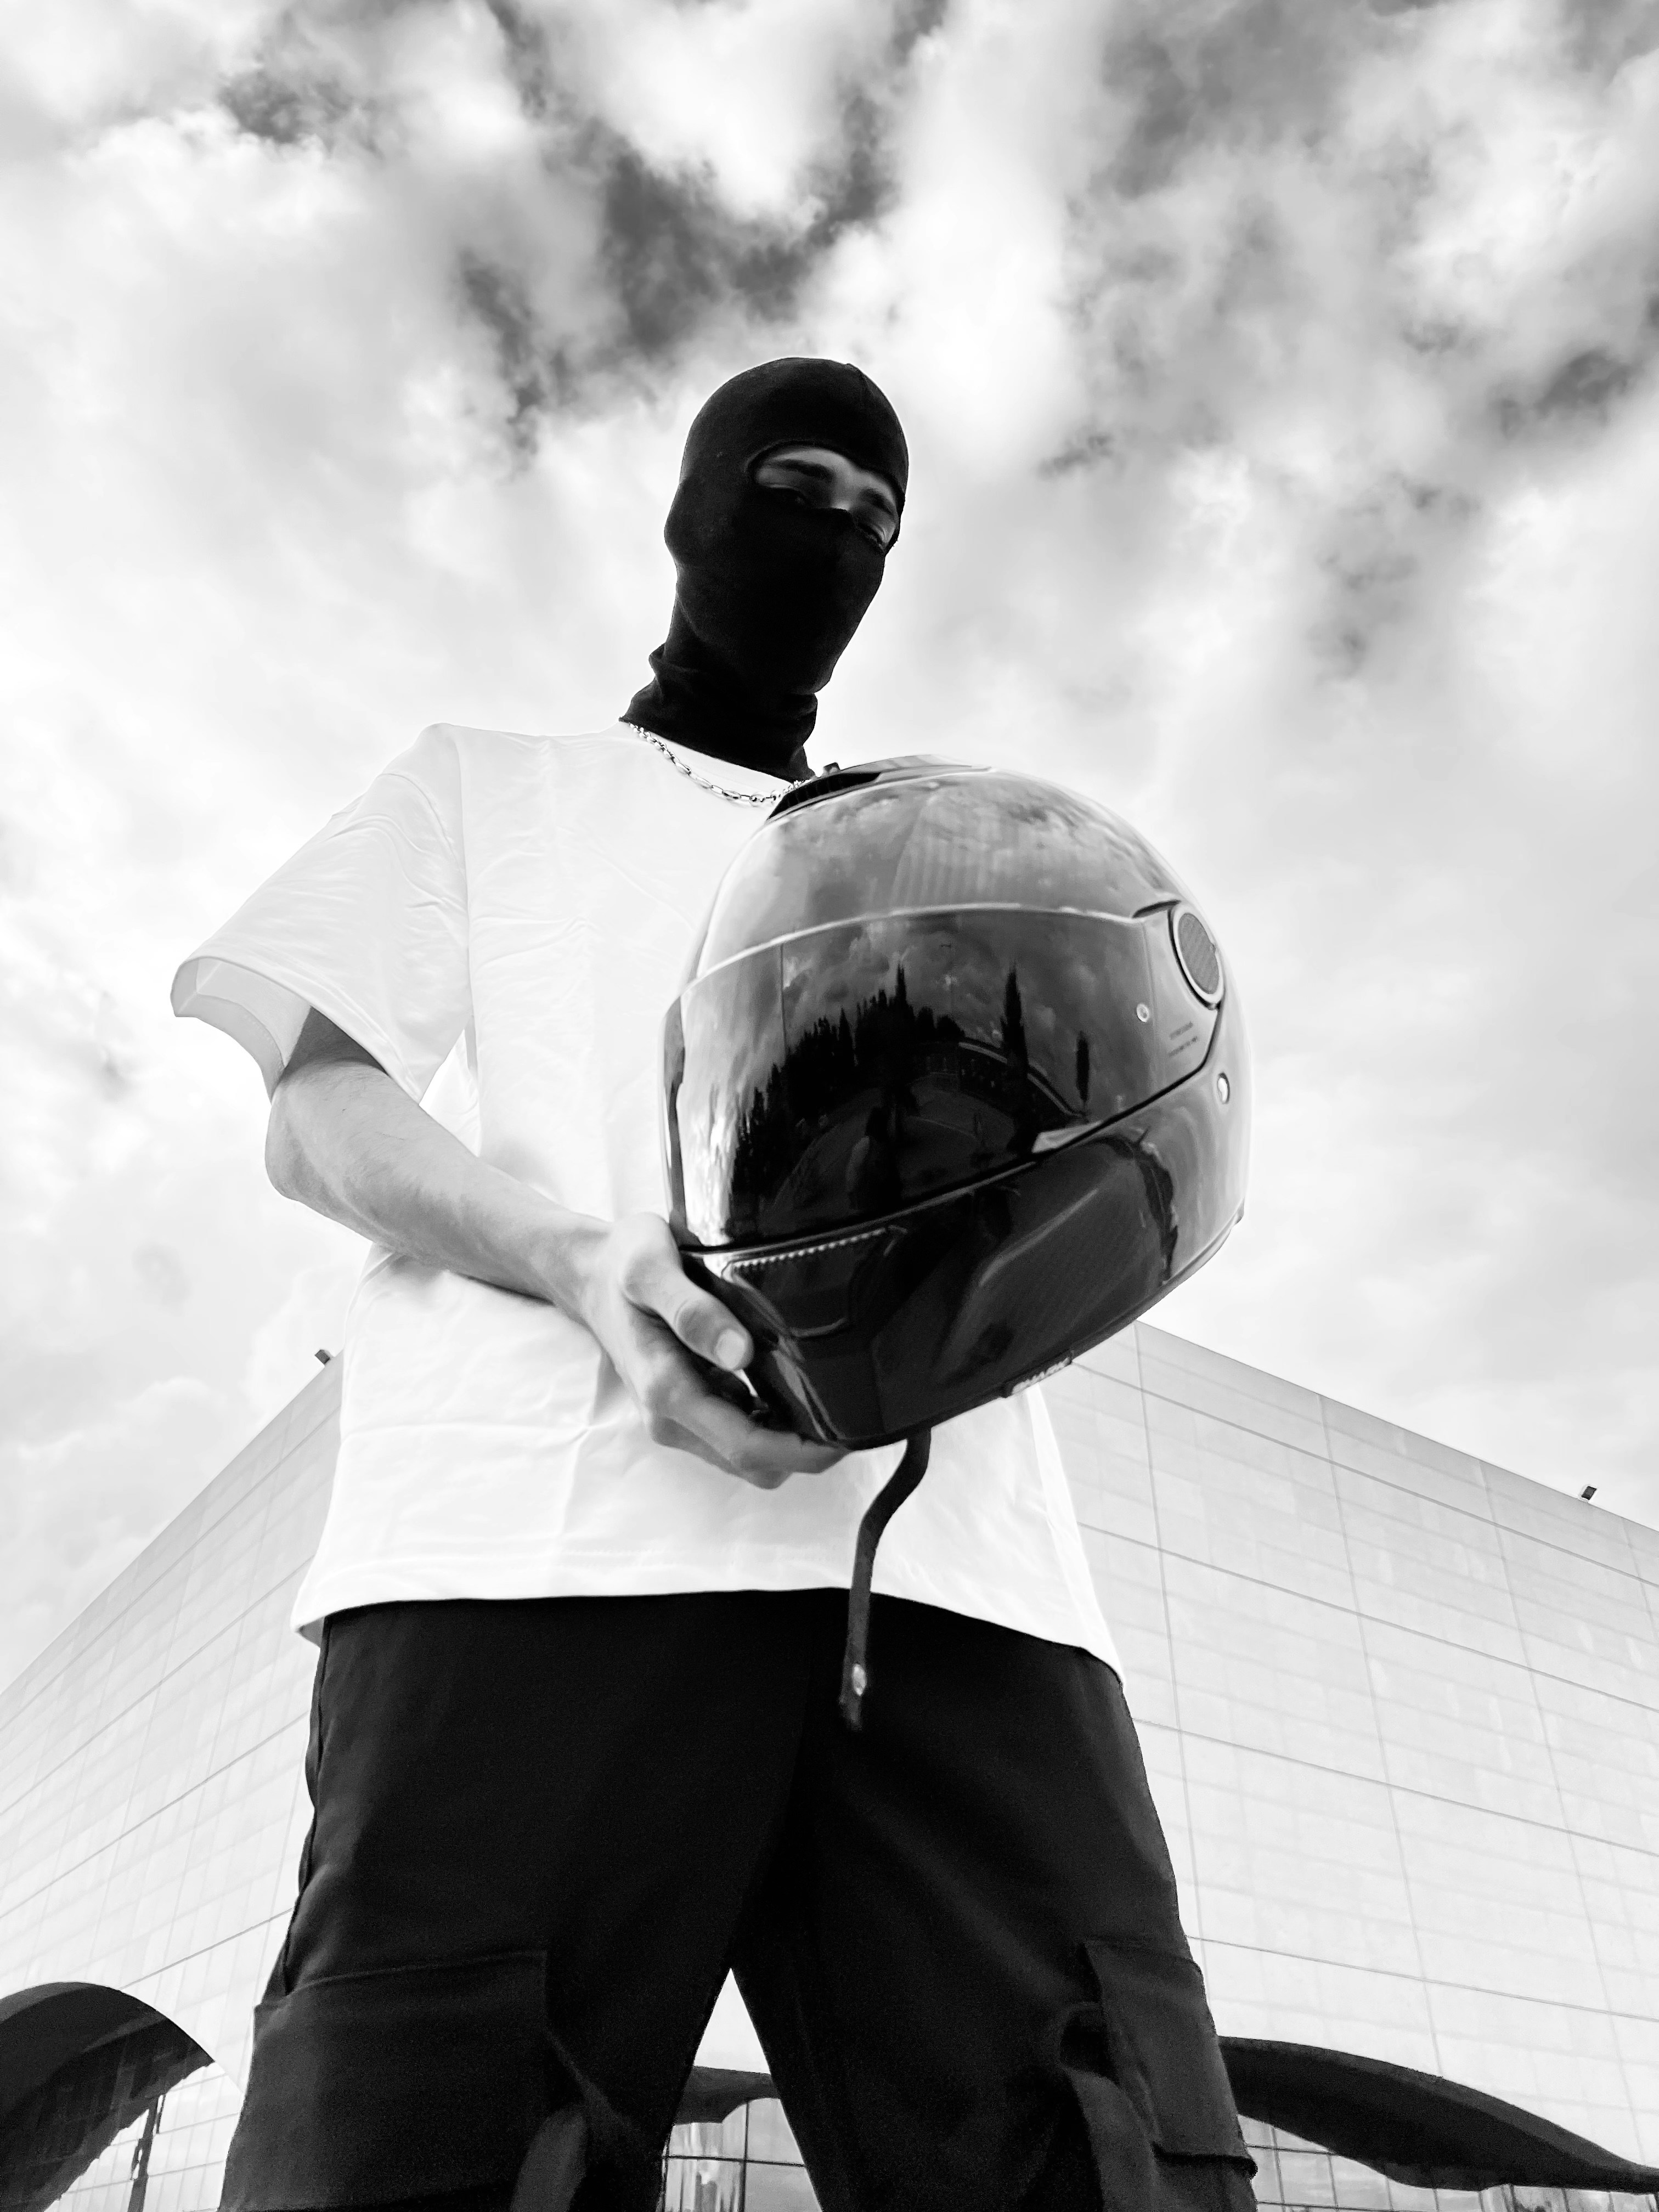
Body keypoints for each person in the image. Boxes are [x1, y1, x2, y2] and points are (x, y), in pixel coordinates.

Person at [173, 358, 1256, 2212]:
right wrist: (587, 1267)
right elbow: (316, 1112)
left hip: (951, 1584)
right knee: (429, 2150)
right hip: (536, 1554)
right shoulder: (492, 789)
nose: (841, 525)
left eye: (883, 511)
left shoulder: (939, 842)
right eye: (799, 476)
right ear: (691, 507)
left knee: (1101, 2154)